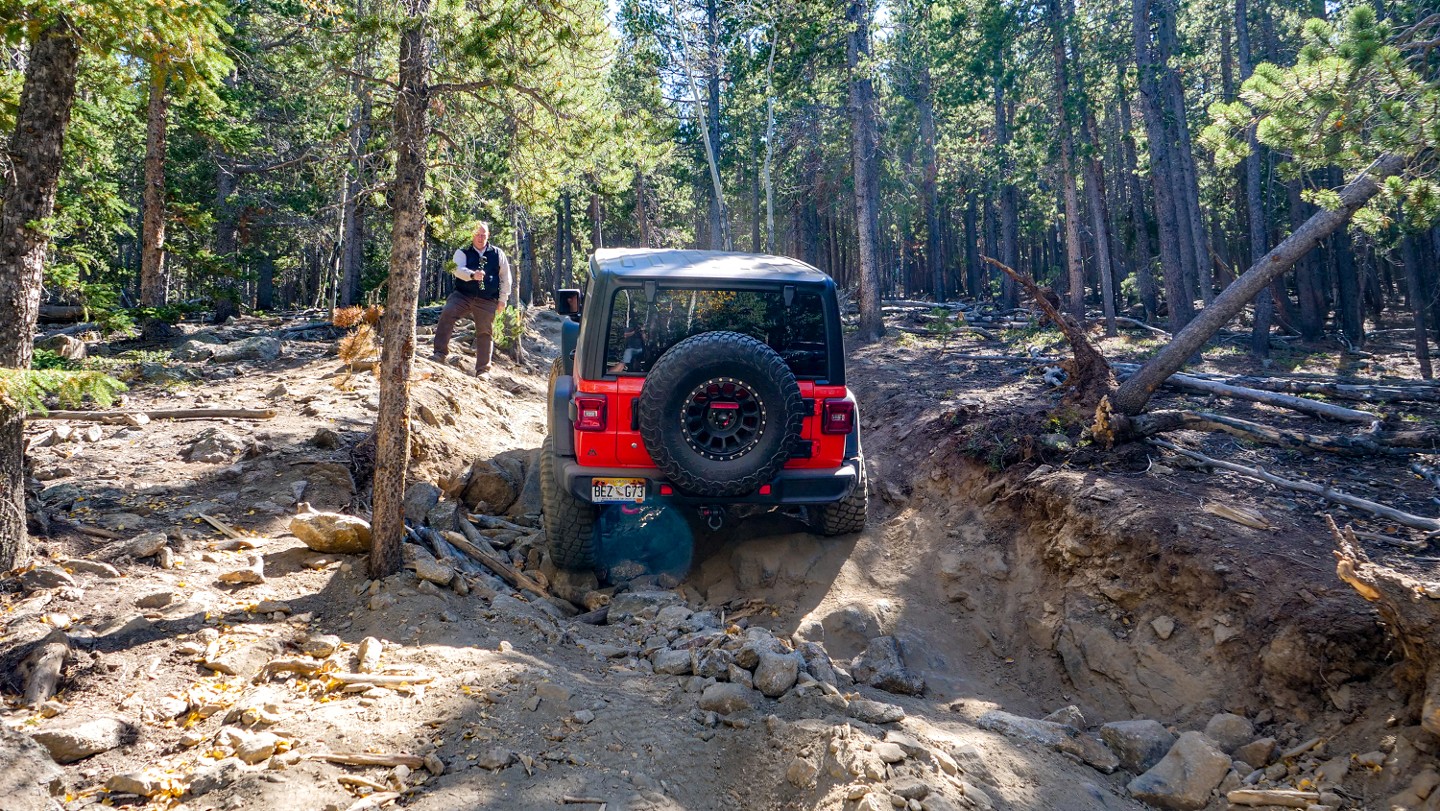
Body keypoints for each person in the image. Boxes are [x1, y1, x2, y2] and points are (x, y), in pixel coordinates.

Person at [433, 221, 512, 377]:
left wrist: (503, 299)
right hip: (463, 295)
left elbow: (505, 277)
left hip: (487, 299)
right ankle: (439, 354)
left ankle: (483, 370)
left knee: (485, 332)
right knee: (447, 313)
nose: (480, 238)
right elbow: (457, 269)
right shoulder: (462, 251)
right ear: (472, 235)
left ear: (488, 235)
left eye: (483, 235)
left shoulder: (497, 253)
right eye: (477, 234)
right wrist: (472, 275)